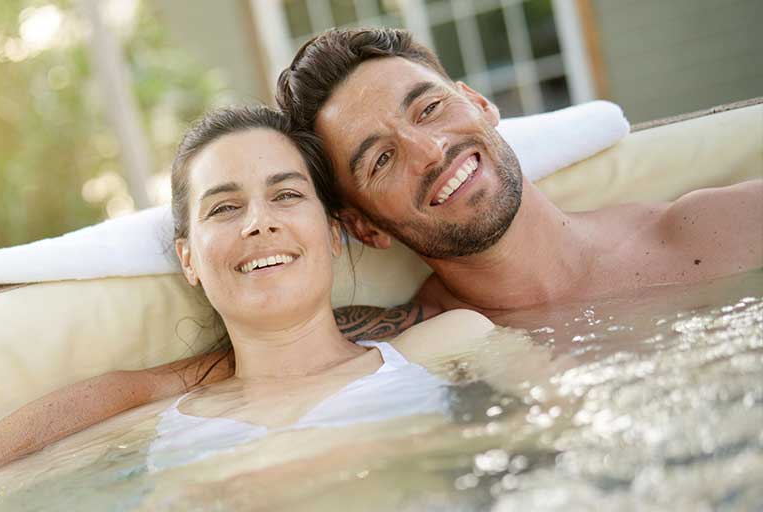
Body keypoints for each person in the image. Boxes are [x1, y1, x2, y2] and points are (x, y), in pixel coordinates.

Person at [0, 105, 507, 507]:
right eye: (224, 207)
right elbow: (68, 417)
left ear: (332, 230)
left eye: (286, 194)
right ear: (188, 259)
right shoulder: (160, 407)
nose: (259, 224)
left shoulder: (446, 342)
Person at [275, 27, 762, 322]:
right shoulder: (415, 352)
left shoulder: (715, 232)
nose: (430, 150)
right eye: (381, 159)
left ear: (480, 104)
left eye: (429, 109)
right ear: (364, 227)